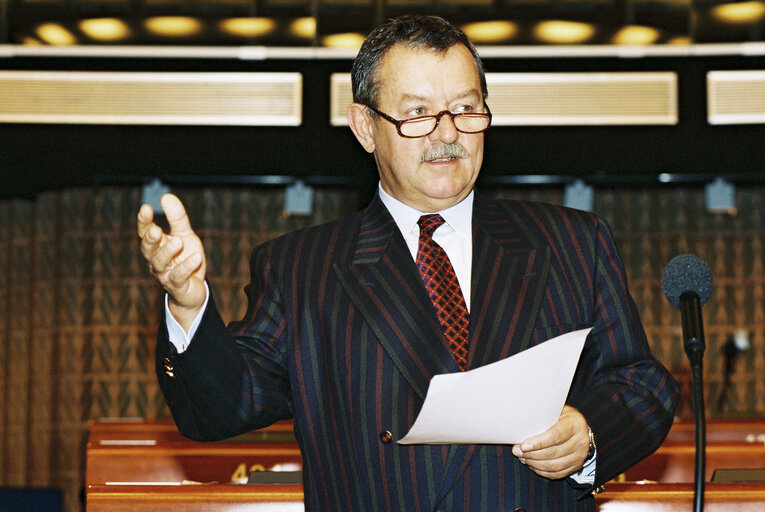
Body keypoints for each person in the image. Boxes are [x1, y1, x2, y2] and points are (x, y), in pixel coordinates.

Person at [137, 14, 679, 511]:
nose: (447, 133)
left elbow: (641, 383)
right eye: (418, 113)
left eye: (466, 108)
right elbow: (220, 408)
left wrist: (588, 433)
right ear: (365, 127)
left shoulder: (571, 243)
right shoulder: (301, 267)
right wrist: (189, 306)